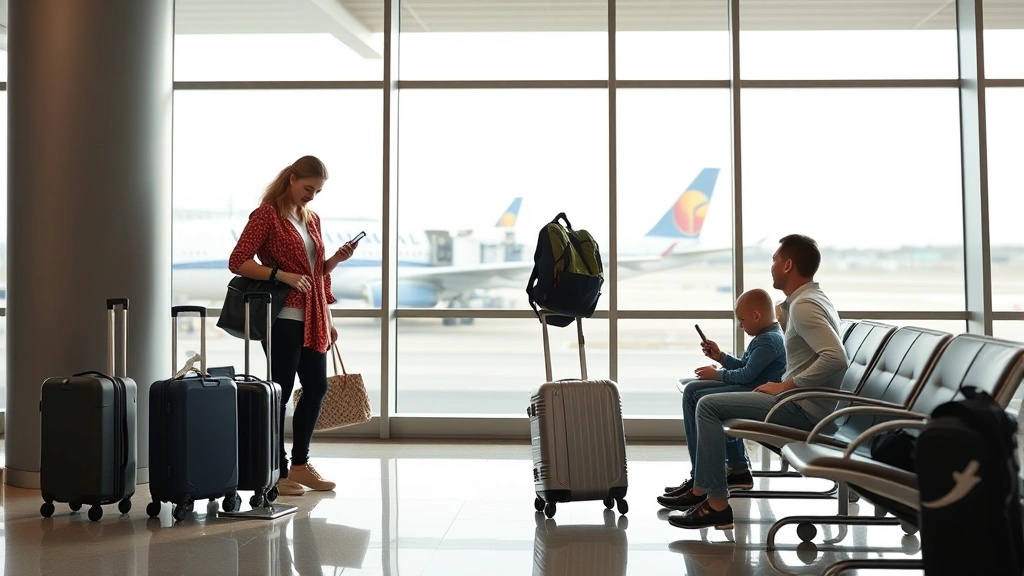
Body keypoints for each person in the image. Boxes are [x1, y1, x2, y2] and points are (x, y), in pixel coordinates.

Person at [668, 234, 849, 530]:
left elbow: (835, 358)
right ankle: (709, 486)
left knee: (706, 406)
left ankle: (715, 503)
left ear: (788, 265)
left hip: (803, 409)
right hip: (803, 402)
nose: (772, 266)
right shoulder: (809, 300)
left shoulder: (805, 306)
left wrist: (785, 387)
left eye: (775, 260)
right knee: (700, 397)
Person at [228, 155, 358, 497]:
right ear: (291, 179)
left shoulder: (311, 219)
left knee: (316, 388)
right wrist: (280, 274)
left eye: (317, 191)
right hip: (282, 316)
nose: (311, 196)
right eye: (308, 188)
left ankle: (300, 465)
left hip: (313, 316)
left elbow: (316, 273)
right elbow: (238, 260)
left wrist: (334, 263)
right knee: (280, 392)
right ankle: (278, 469)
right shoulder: (267, 215)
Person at [659, 288, 786, 510]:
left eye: (742, 320)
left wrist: (717, 374)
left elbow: (746, 376)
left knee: (698, 397)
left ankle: (703, 480)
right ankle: (720, 472)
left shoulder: (769, 341)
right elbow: (747, 368)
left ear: (756, 316)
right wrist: (720, 357)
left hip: (755, 394)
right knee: (692, 391)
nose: (741, 325)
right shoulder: (765, 337)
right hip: (750, 389)